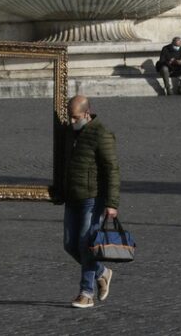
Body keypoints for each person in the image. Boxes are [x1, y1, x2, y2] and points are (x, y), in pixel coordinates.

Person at [64, 95, 120, 308]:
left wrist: (112, 203)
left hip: (92, 198)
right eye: (69, 117)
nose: (71, 121)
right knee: (69, 244)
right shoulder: (70, 132)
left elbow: (112, 169)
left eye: (75, 117)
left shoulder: (101, 134)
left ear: (87, 113)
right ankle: (102, 272)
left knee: (86, 244)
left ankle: (86, 293)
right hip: (72, 196)